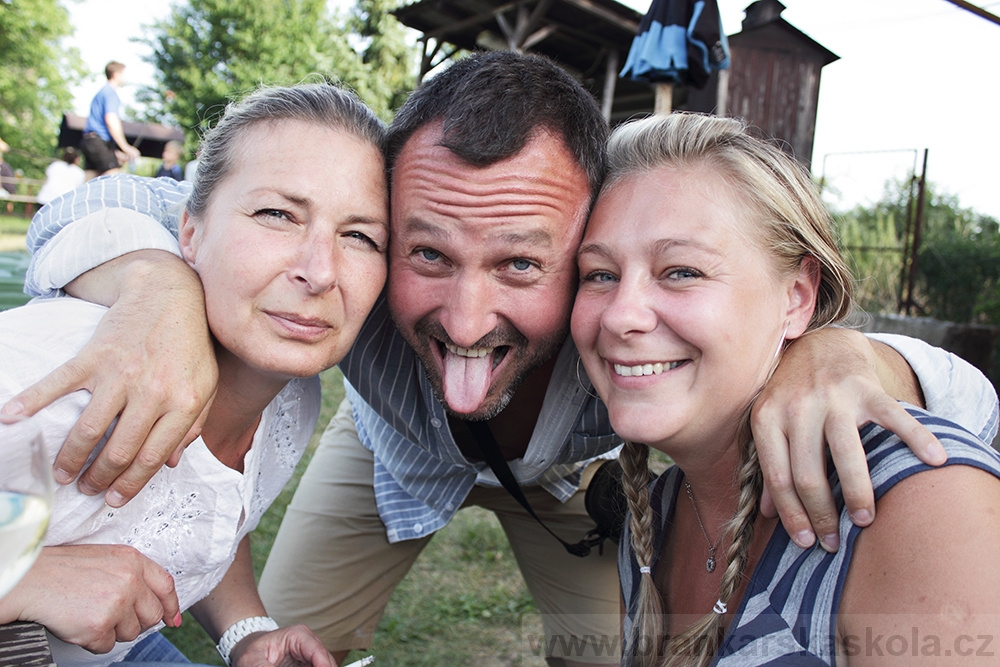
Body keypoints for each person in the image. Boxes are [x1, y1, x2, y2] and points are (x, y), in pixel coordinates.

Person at [6, 53, 991, 665]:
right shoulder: (346, 269)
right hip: (391, 457)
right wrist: (154, 291)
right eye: (426, 252)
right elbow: (122, 204)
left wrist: (844, 355)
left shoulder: (629, 352)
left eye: (524, 262)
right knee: (288, 640)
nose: (468, 318)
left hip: (562, 481)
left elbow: (965, 408)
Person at [570, 113, 1000, 666]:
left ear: (796, 296)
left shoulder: (919, 505)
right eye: (599, 274)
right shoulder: (655, 513)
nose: (620, 316)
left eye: (681, 271)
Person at [0, 82, 389, 667]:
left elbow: (208, 513)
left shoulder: (290, 402)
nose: (320, 271)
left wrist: (247, 634)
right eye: (277, 214)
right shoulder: (55, 377)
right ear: (189, 231)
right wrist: (19, 578)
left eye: (360, 236)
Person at [79, 61, 141, 179]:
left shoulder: (101, 92)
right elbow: (111, 120)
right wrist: (125, 147)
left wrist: (115, 153)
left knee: (90, 182)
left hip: (89, 141)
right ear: (116, 75)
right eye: (124, 74)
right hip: (98, 141)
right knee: (113, 178)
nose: (126, 77)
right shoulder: (110, 93)